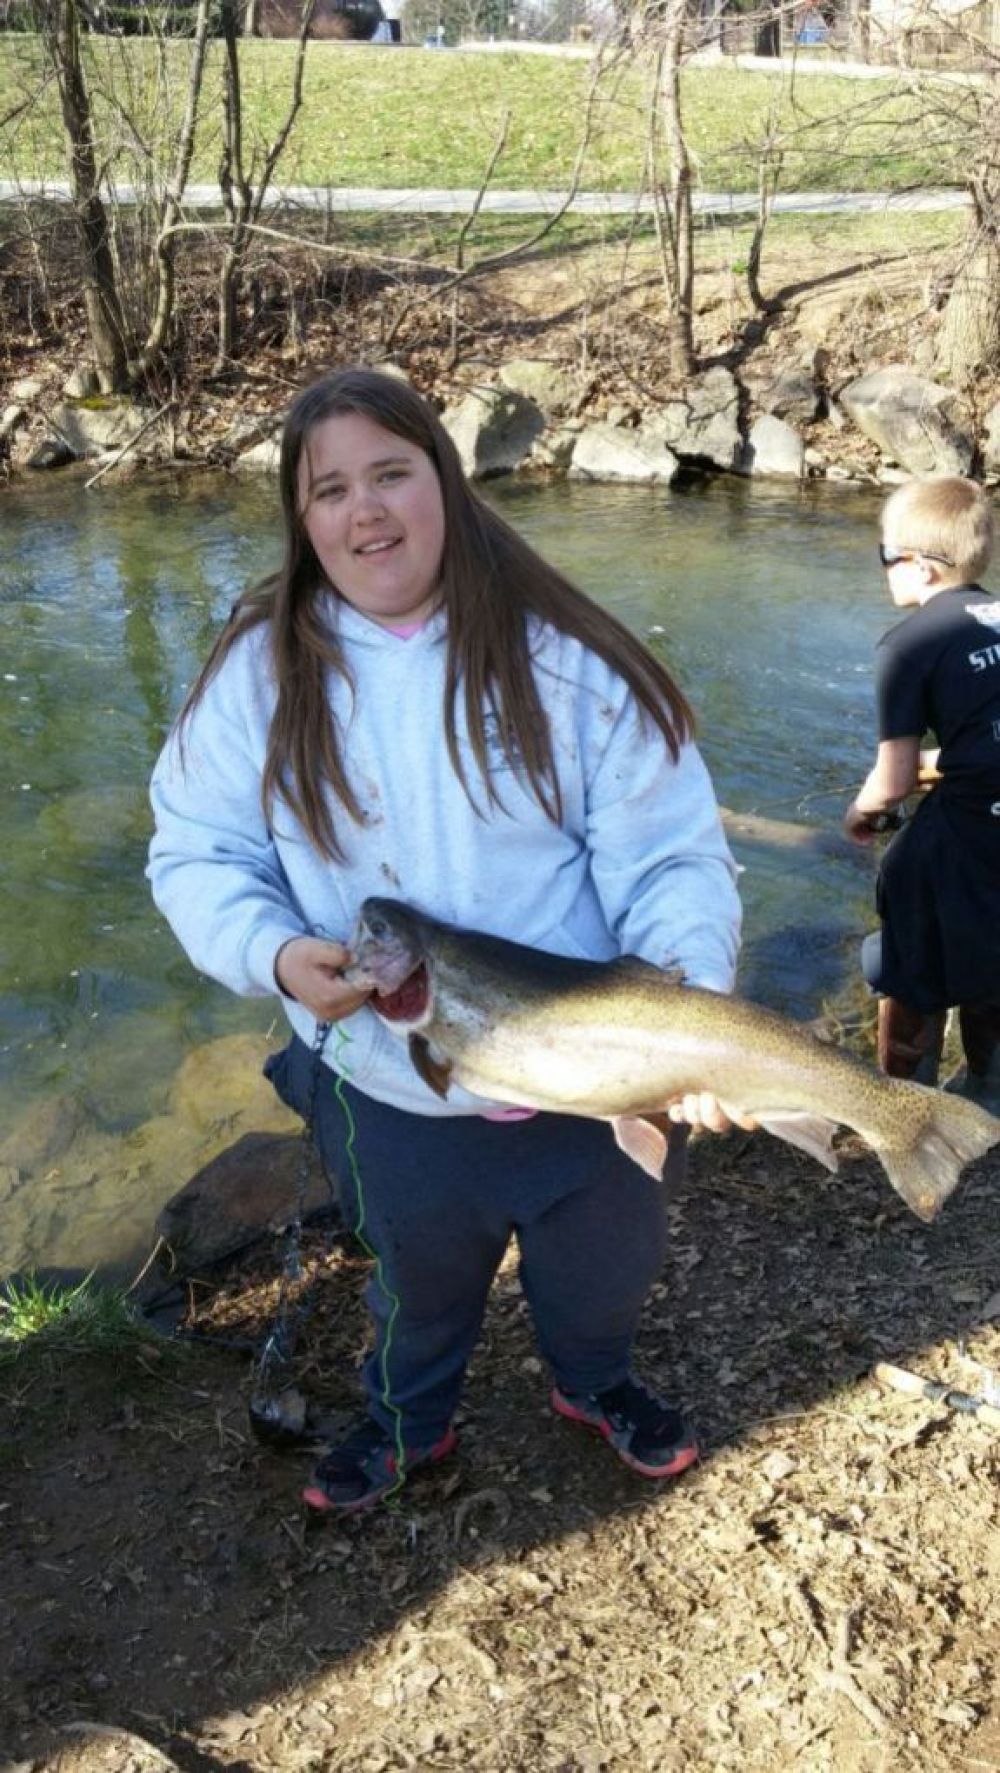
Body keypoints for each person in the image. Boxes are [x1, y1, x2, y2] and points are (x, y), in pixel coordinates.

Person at [147, 367, 742, 1516]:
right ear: (301, 518)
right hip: (390, 1089)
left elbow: (669, 859)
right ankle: (407, 1420)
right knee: (415, 1288)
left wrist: (696, 1014)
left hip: (598, 1077)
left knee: (605, 1271)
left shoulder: (568, 655)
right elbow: (198, 855)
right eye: (330, 490)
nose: (364, 511)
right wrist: (271, 953)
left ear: (447, 480)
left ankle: (593, 1380)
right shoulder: (256, 671)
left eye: (390, 474)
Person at [844, 474, 1000, 1099]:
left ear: (923, 567)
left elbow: (892, 782)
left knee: (906, 953)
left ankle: (905, 1104)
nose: (884, 569)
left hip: (964, 837)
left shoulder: (908, 646)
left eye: (887, 555)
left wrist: (861, 812)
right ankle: (987, 1092)